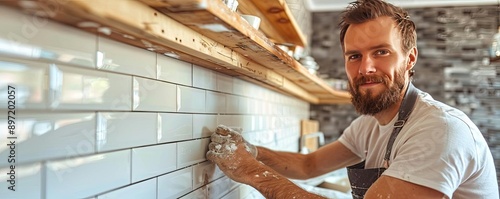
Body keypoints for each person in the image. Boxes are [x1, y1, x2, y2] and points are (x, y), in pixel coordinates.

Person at [206, 0, 499, 198]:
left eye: (381, 52)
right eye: (354, 56)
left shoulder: (439, 130)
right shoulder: (369, 125)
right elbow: (308, 166)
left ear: (410, 59)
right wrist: (252, 151)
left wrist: (248, 170)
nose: (365, 68)